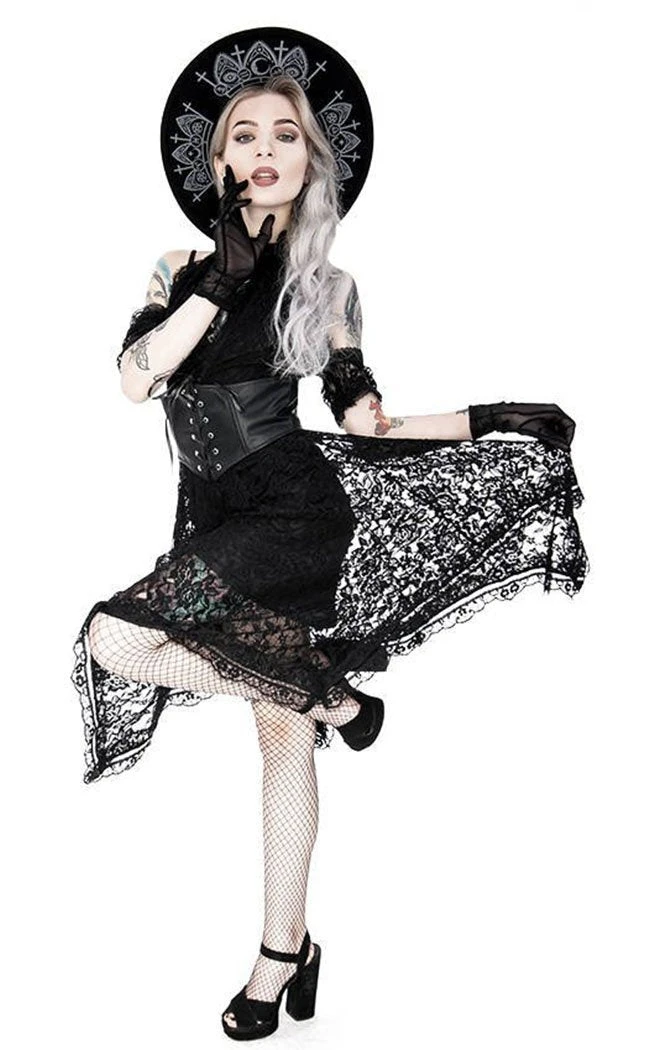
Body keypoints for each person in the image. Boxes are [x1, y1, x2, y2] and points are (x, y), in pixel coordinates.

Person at [70, 29, 589, 1041]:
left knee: (116, 639)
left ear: (310, 163)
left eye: (286, 137)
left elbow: (366, 423)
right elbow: (136, 380)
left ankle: (287, 890)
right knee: (267, 721)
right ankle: (295, 909)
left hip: (296, 512)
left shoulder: (326, 287)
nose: (265, 150)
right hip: (211, 516)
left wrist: (491, 418)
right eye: (244, 135)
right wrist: (217, 282)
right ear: (218, 159)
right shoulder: (178, 266)